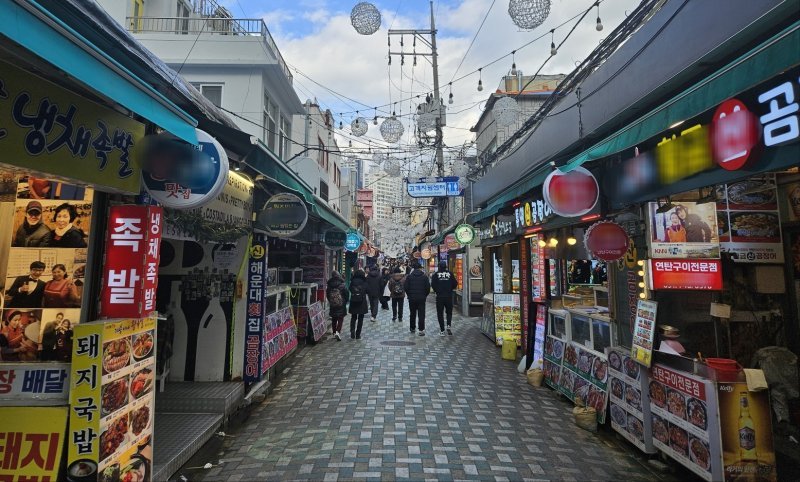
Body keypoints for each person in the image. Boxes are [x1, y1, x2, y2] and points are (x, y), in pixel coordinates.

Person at [431, 261, 458, 336]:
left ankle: (442, 330)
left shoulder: (435, 275)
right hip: (449, 296)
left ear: (439, 266)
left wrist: (437, 291)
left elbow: (433, 285)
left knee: (440, 313)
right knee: (449, 312)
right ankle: (448, 325)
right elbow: (455, 284)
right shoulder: (450, 274)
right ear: (446, 266)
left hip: (440, 297)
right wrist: (450, 289)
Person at [403, 261, 431, 336]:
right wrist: (424, 295)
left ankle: (412, 328)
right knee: (421, 314)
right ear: (420, 268)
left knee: (412, 313)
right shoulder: (424, 277)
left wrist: (409, 294)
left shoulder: (409, 276)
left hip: (412, 298)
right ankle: (421, 330)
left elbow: (405, 287)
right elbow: (428, 288)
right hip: (421, 298)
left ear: (413, 268)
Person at [326, 271, 349, 341]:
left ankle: (333, 332)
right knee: (340, 318)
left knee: (334, 318)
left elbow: (327, 294)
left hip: (333, 304)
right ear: (339, 276)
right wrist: (345, 301)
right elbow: (346, 294)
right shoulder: (342, 284)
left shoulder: (329, 284)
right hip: (341, 304)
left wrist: (331, 301)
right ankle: (337, 332)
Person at [348, 269, 369, 339]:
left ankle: (352, 331)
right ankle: (358, 334)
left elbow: (350, 288)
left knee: (353, 317)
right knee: (360, 318)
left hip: (354, 300)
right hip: (362, 301)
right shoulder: (364, 282)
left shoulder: (352, 281)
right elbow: (367, 290)